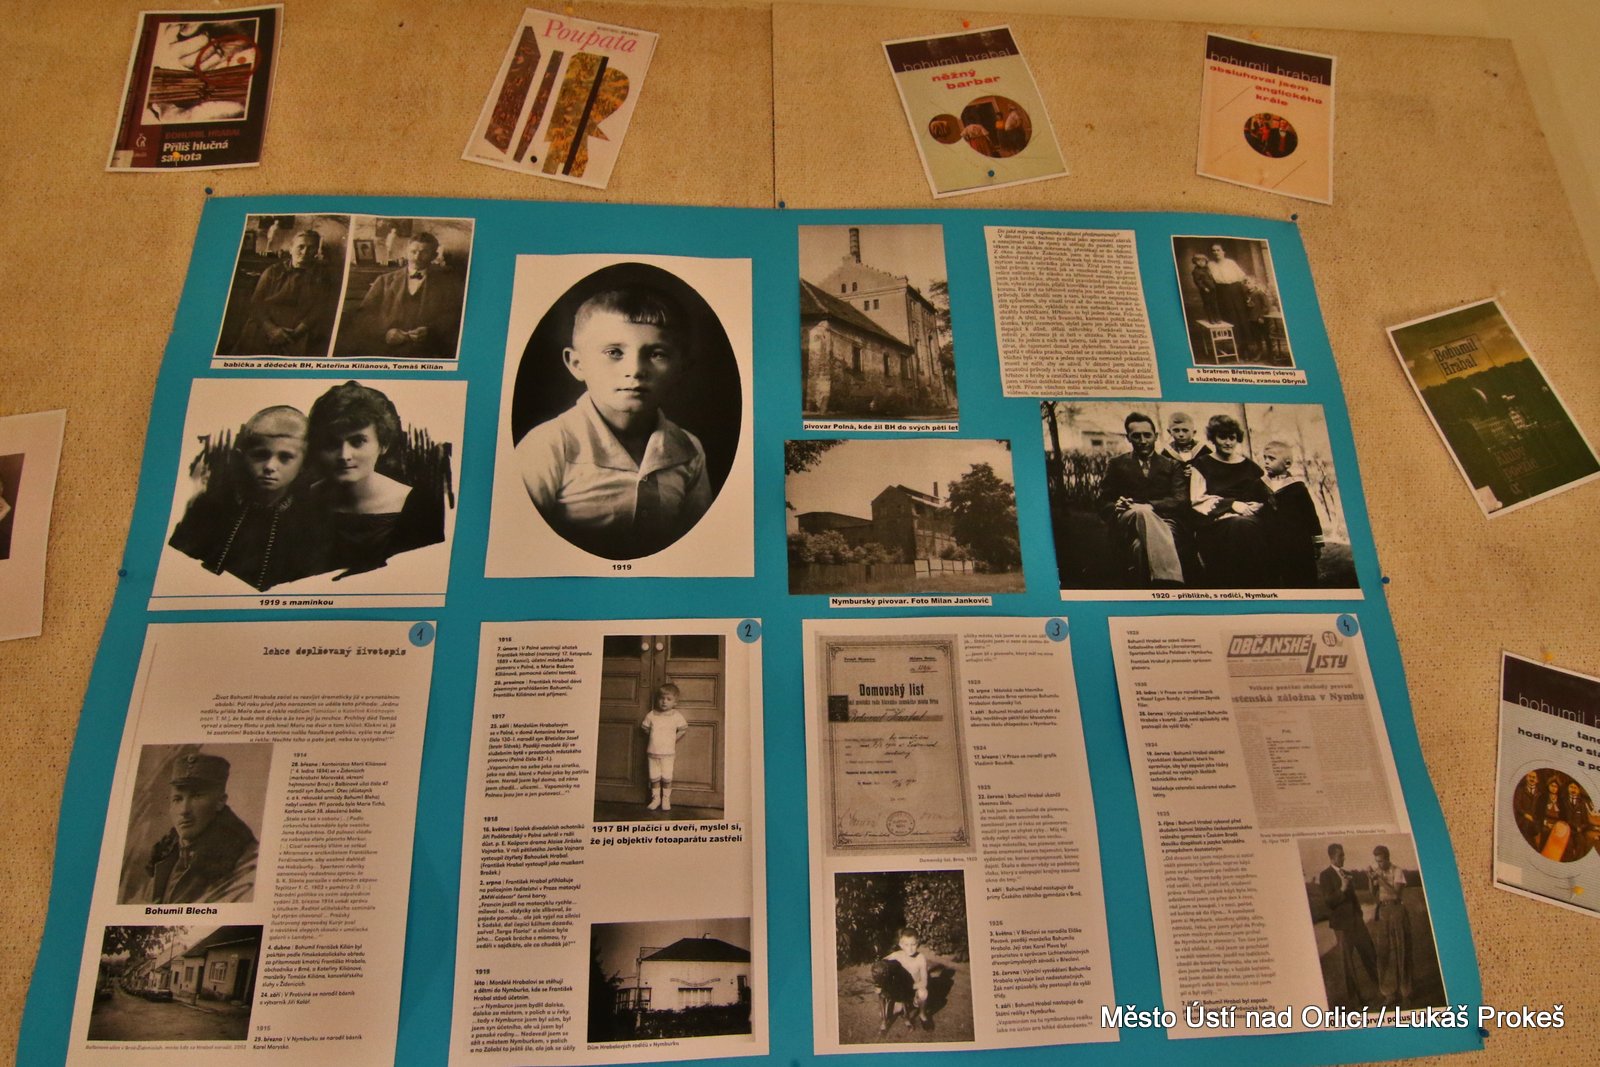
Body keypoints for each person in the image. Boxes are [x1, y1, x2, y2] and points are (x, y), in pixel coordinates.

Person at [515, 287, 711, 560]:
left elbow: (698, 546)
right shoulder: (549, 444)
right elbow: (517, 543)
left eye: (657, 354)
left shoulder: (689, 448)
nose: (635, 370)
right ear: (577, 364)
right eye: (614, 352)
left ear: (680, 369)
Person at [167, 406, 331, 590]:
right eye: (260, 455)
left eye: (285, 457)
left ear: (304, 463)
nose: (270, 466)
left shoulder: (312, 524)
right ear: (242, 456)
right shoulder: (207, 510)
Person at [307, 381, 444, 577]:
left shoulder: (419, 507)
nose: (344, 455)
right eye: (332, 443)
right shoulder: (302, 501)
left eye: (357, 441)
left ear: (383, 444)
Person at [139, 751, 257, 905]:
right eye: (177, 799)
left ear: (220, 801)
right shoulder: (165, 858)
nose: (184, 810)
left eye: (196, 796)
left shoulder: (244, 861)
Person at [341, 231, 465, 359]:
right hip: (387, 349)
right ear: (406, 252)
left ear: (434, 255)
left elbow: (451, 317)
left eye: (424, 252)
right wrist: (385, 333)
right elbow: (364, 315)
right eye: (413, 251)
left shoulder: (446, 284)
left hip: (427, 351)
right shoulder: (384, 280)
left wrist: (431, 332)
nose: (417, 257)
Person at [1097, 412, 1188, 586]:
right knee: (1139, 511)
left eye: (1147, 435)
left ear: (1156, 436)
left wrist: (1150, 506)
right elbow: (1102, 502)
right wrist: (1116, 506)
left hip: (1165, 521)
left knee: (1140, 547)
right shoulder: (1116, 464)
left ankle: (1148, 590)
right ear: (1128, 438)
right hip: (1128, 520)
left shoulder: (1171, 464)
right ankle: (1171, 580)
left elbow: (1180, 499)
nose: (1143, 440)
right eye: (1136, 436)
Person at [1189, 414, 1268, 588]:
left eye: (1232, 438)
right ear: (1213, 439)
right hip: (1216, 523)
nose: (1228, 442)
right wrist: (1231, 504)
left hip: (1250, 518)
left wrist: (1260, 505)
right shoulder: (1202, 464)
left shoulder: (1250, 466)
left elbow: (1266, 495)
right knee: (1240, 526)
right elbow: (1197, 500)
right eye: (1222, 437)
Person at [233, 229, 338, 357]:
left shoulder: (322, 276)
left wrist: (295, 334)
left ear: (316, 251)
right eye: (301, 246)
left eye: (311, 248)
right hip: (265, 326)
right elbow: (256, 304)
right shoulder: (272, 271)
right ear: (291, 249)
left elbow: (319, 308)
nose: (305, 252)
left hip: (300, 330)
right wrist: (271, 329)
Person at [1318, 843, 1377, 1010]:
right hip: (1342, 926)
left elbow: (1354, 898)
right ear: (1332, 857)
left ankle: (1382, 988)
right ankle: (1357, 1000)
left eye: (1343, 854)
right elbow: (1329, 901)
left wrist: (1359, 913)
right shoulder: (1325, 876)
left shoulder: (1348, 873)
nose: (1343, 858)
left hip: (1357, 922)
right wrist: (1342, 889)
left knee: (1370, 953)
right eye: (1340, 855)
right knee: (1348, 963)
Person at [1259, 439, 1323, 587]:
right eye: (1265, 458)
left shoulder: (1297, 488)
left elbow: (1311, 516)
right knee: (1274, 580)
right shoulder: (1259, 485)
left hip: (1298, 543)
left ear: (1287, 464)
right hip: (1271, 542)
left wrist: (1317, 543)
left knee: (1302, 578)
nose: (1266, 461)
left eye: (1271, 458)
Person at [1367, 846, 1412, 1008]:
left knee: (1402, 949)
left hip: (1397, 910)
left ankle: (1405, 992)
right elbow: (1373, 893)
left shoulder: (1397, 871)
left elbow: (1396, 893)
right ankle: (1389, 993)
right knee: (1384, 952)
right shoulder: (1378, 872)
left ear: (1387, 858)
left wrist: (1380, 879)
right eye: (1376, 861)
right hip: (1383, 912)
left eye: (1381, 861)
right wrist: (1370, 879)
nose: (1378, 864)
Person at [639, 683, 689, 812]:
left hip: (668, 754)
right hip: (653, 752)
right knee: (654, 777)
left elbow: (683, 729)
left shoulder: (676, 716)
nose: (664, 701)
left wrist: (673, 739)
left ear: (675, 702)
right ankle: (656, 799)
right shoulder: (651, 715)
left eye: (668, 699)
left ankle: (666, 799)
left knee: (667, 777)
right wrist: (654, 737)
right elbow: (645, 728)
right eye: (662, 698)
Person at [1205, 243, 1257, 357]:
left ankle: (1248, 348)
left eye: (1218, 250)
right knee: (1230, 318)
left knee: (1242, 316)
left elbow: (1242, 277)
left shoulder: (1230, 263)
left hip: (1236, 289)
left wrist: (1250, 291)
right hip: (1221, 292)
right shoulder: (1210, 265)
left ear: (1223, 251)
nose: (1216, 252)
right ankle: (1238, 347)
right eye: (1213, 250)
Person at [881, 928, 933, 1032]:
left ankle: (922, 1015)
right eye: (906, 945)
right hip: (900, 991)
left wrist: (908, 987)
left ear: (918, 943)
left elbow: (924, 982)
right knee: (894, 1010)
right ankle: (899, 1006)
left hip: (913, 990)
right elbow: (881, 963)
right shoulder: (897, 955)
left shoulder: (920, 958)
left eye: (913, 944)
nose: (910, 948)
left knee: (923, 993)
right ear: (901, 945)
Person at [1512, 770, 1544, 849]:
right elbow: (1517, 806)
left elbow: (1540, 810)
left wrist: (1537, 822)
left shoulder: (1540, 793)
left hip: (1535, 824)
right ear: (1526, 778)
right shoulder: (1520, 790)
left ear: (1537, 780)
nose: (1532, 779)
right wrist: (1526, 815)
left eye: (1534, 777)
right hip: (1522, 822)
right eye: (1530, 776)